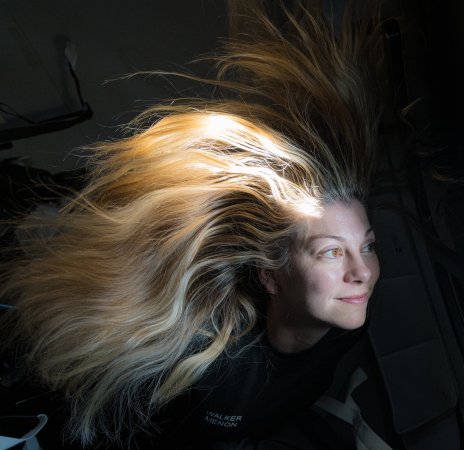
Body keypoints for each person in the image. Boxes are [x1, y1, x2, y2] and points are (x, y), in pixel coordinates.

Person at [0, 1, 386, 448]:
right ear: (270, 275)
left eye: (368, 246)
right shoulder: (202, 360)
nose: (362, 272)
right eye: (331, 252)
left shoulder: (347, 319)